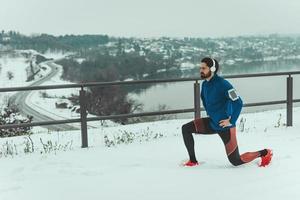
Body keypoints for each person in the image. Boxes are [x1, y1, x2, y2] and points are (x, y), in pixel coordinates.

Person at [181, 57, 273, 167]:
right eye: (200, 68)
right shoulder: (205, 84)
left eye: (204, 68)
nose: (201, 70)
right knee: (186, 128)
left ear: (213, 69)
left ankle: (265, 153)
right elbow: (206, 101)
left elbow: (238, 102)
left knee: (235, 161)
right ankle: (193, 161)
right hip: (212, 123)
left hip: (226, 127)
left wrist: (231, 120)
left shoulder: (224, 84)